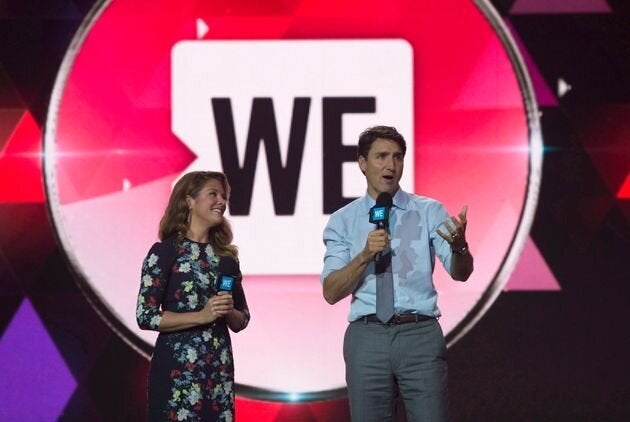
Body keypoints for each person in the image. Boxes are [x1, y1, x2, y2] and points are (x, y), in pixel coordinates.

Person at [321, 126, 473, 421]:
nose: (391, 165)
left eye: (397, 157)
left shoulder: (429, 211)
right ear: (362, 163)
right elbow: (331, 291)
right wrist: (364, 255)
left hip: (420, 334)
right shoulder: (342, 221)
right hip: (367, 338)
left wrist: (460, 249)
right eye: (381, 157)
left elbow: (461, 273)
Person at [136, 171, 250, 421]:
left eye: (224, 196)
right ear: (189, 201)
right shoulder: (164, 253)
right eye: (213, 194)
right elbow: (145, 316)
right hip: (177, 373)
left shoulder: (226, 258)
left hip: (218, 375)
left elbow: (242, 319)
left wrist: (228, 311)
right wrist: (202, 315)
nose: (221, 201)